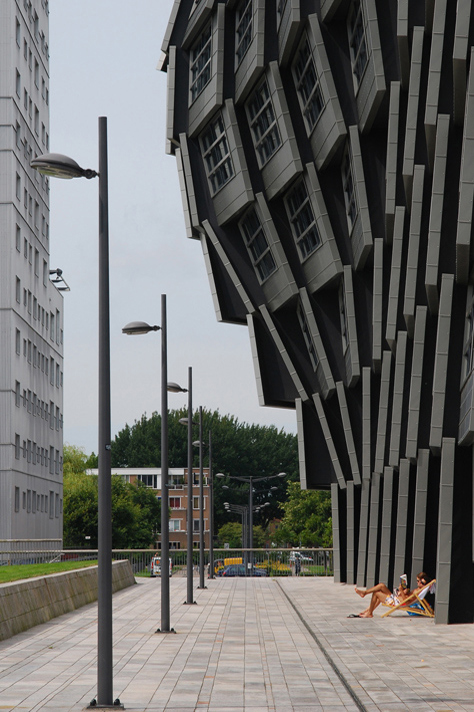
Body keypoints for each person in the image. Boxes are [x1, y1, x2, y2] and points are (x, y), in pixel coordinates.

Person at [353, 572, 428, 618]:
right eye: (417, 581)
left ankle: (369, 613)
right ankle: (365, 598)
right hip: (396, 598)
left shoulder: (418, 591)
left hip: (396, 602)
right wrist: (405, 591)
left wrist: (401, 590)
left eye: (420, 581)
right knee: (381, 585)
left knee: (377, 593)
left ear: (424, 583)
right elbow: (408, 597)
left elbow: (405, 600)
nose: (418, 583)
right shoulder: (418, 590)